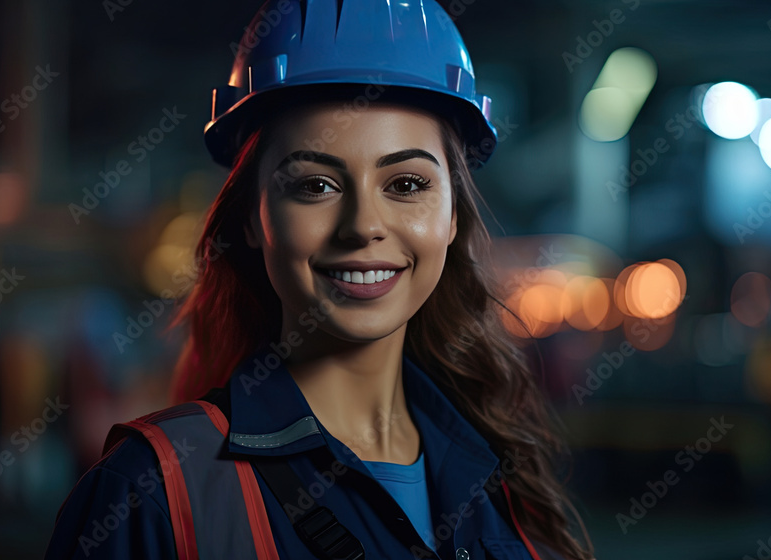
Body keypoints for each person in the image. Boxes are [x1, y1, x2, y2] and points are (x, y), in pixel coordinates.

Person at [46, 1, 593, 559]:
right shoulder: (150, 494)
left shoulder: (505, 491)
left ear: (452, 217)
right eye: (315, 185)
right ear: (252, 219)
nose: (363, 227)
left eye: (405, 185)